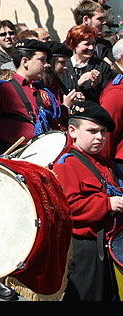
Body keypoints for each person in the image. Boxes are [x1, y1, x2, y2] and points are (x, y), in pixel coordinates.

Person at [52, 101, 122, 301]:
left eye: (103, 132)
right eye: (92, 131)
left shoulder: (103, 162)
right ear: (72, 131)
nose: (100, 137)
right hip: (85, 248)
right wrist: (108, 204)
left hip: (106, 242)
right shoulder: (67, 164)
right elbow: (69, 207)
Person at [0, 38, 61, 153]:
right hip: (11, 155)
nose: (46, 65)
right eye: (42, 60)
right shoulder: (2, 89)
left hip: (42, 152)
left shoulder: (44, 91)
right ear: (25, 61)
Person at [61, 24, 114, 102]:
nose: (91, 48)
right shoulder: (64, 66)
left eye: (93, 44)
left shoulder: (102, 66)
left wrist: (95, 86)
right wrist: (78, 84)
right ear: (74, 44)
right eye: (87, 44)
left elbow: (107, 97)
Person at [73, 0, 114, 64]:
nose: (104, 22)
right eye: (100, 19)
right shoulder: (68, 46)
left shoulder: (105, 45)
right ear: (86, 19)